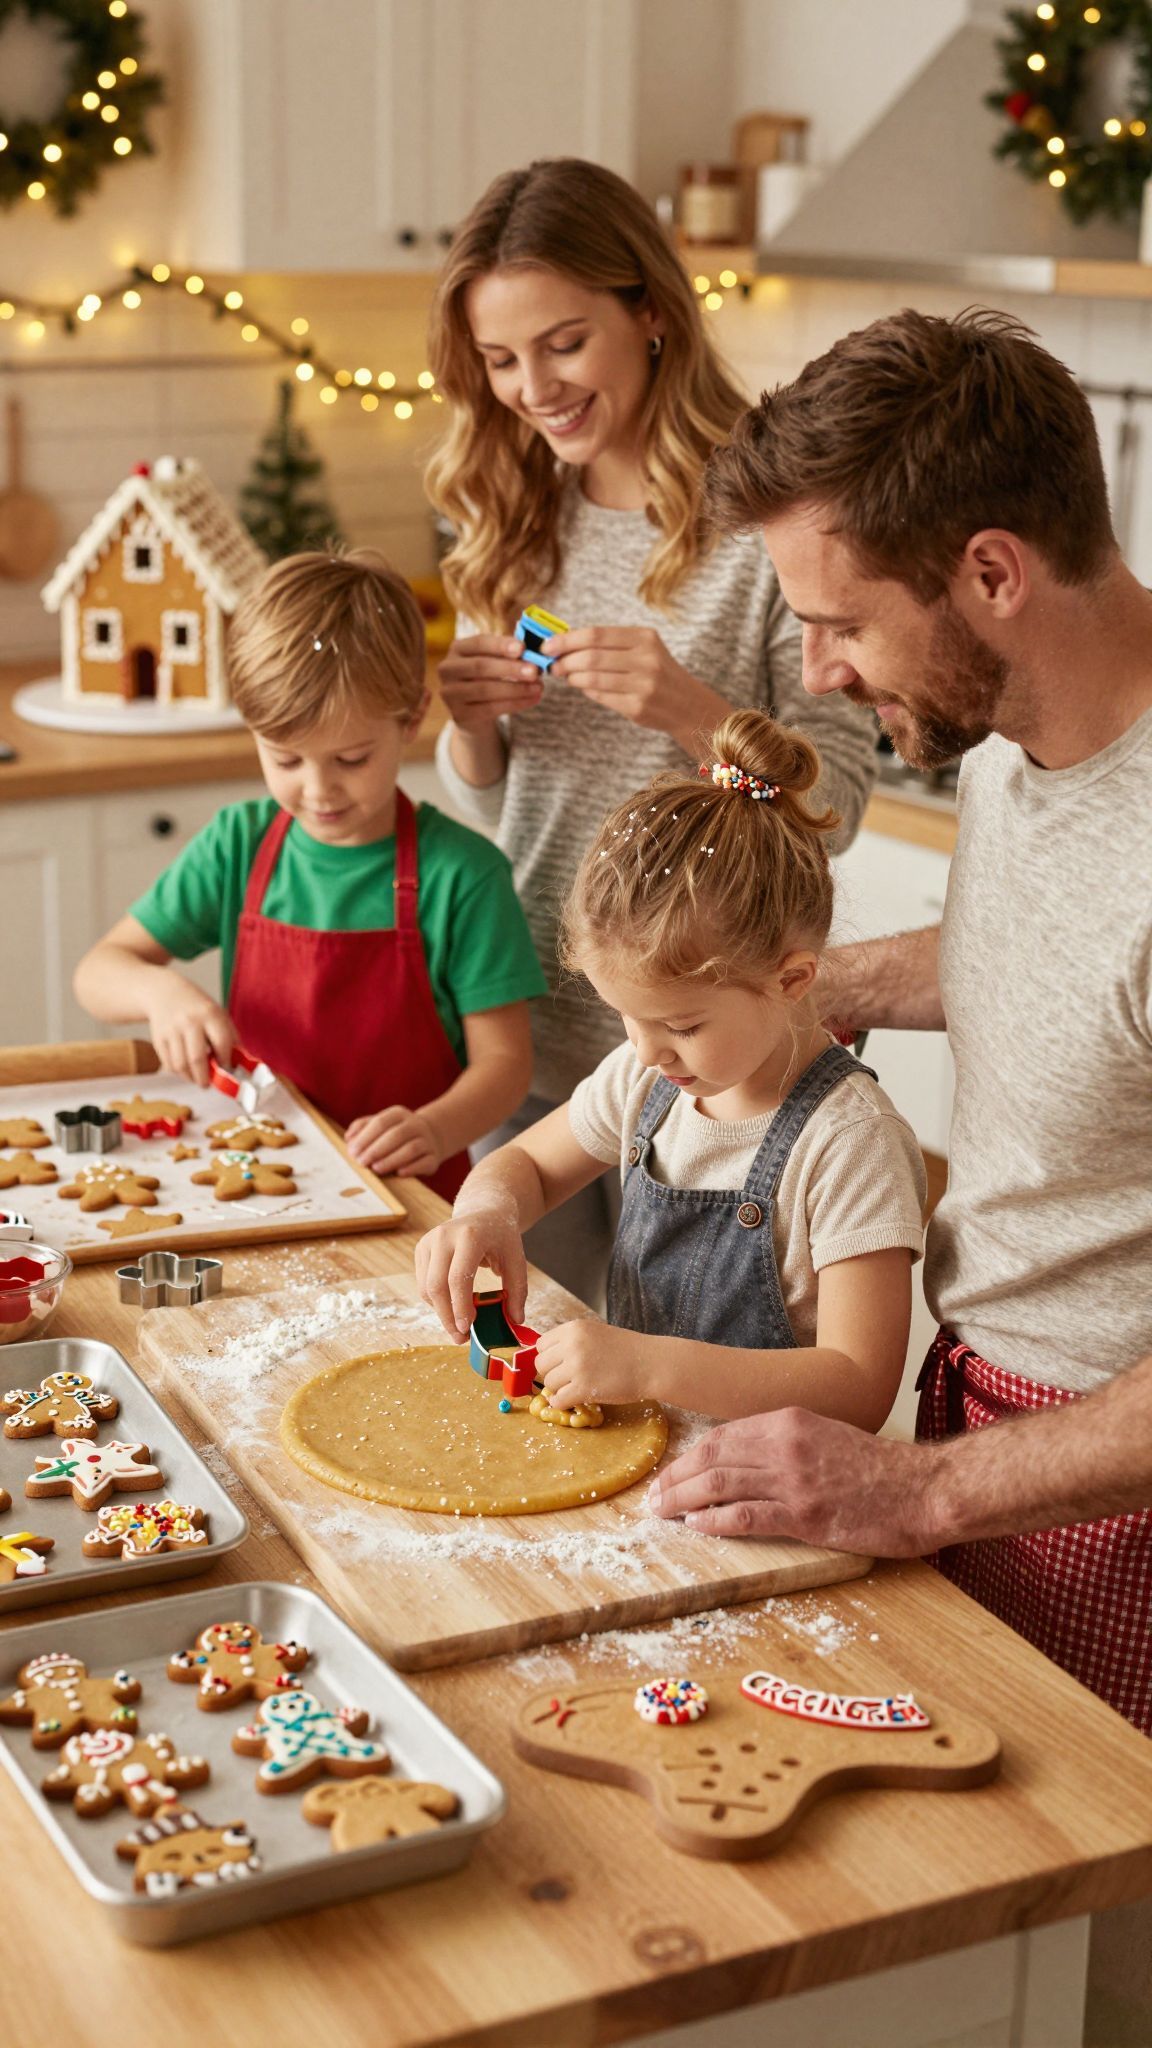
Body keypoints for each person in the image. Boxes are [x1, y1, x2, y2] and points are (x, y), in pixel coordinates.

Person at [648, 307, 1152, 1735]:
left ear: (990, 571)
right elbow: (1071, 960)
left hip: (1114, 1505)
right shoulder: (1018, 730)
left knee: (1092, 1953)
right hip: (980, 1430)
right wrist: (797, 995)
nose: (815, 674)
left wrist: (920, 1488)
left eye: (839, 621)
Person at [425, 156, 878, 1297]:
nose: (533, 386)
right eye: (500, 359)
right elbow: (494, 805)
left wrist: (693, 711)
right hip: (526, 1021)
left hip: (714, 1047)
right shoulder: (508, 511)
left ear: (653, 313)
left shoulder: (770, 514)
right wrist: (472, 730)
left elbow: (834, 814)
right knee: (521, 1354)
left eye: (564, 343)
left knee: (689, 1376)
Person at [416, 708, 925, 1424]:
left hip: (776, 1500)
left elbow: (860, 1386)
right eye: (629, 1018)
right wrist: (486, 1212)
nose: (649, 1050)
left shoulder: (851, 1144)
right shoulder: (647, 1078)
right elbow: (526, 1166)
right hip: (647, 1475)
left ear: (792, 981)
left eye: (682, 1025)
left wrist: (653, 1366)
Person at [73, 549, 546, 1202]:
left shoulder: (464, 875)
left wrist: (436, 1129)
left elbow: (505, 1064)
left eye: (351, 757)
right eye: (286, 757)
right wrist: (161, 995)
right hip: (256, 1180)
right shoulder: (238, 845)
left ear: (411, 719)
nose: (318, 789)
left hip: (412, 1195)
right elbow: (97, 972)